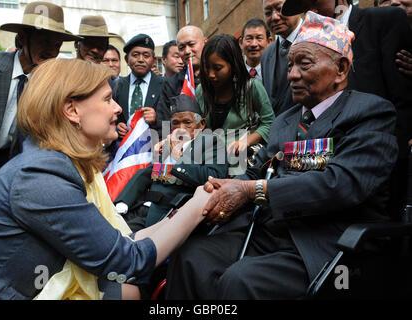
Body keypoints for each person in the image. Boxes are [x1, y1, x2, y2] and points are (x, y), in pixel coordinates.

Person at [164, 12, 399, 300]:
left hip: (325, 242)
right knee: (189, 257)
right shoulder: (285, 120)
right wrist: (224, 187)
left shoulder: (370, 113)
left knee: (239, 282)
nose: (292, 75)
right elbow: (256, 169)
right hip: (268, 231)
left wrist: (253, 190)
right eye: (290, 65)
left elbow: (342, 183)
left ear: (340, 68)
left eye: (304, 64)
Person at [0, 58, 211, 300]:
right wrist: (199, 205)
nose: (118, 108)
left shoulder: (58, 163)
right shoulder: (42, 177)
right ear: (72, 111)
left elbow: (119, 241)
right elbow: (129, 261)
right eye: (108, 99)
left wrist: (186, 207)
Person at [282, 0, 412, 228]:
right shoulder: (302, 48)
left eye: (313, 0)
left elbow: (403, 98)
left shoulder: (383, 21)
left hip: (381, 175)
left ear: (342, 68)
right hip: (322, 184)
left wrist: (384, 163)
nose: (309, 8)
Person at [0, 1, 81, 195]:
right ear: (22, 38)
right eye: (45, 41)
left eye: (57, 45)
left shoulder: (53, 86)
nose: (52, 51)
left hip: (10, 175)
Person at [114, 94, 228, 232]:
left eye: (187, 122)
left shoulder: (212, 143)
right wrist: (123, 201)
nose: (181, 128)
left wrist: (178, 157)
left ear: (201, 124)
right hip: (141, 208)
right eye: (175, 123)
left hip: (170, 215)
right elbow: (147, 173)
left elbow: (214, 177)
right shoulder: (168, 144)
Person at [196, 34, 275, 176]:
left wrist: (246, 140)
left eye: (218, 68)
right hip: (207, 165)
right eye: (207, 68)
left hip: (240, 167)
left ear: (233, 65)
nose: (211, 74)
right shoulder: (201, 91)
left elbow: (269, 123)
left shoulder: (252, 87)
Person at [155, 26, 207, 137]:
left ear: (205, 42)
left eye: (192, 44)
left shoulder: (216, 77)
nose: (187, 51)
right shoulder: (170, 85)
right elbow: (163, 124)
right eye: (182, 47)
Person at [114, 34, 163, 139]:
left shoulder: (165, 85)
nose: (140, 59)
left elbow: (175, 121)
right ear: (127, 60)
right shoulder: (117, 86)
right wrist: (116, 127)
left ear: (154, 61)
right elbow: (110, 117)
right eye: (135, 55)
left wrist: (157, 119)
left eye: (146, 56)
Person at [260, 0, 303, 116]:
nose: (274, 17)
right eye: (268, 13)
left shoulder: (317, 41)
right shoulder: (266, 55)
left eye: (280, 9)